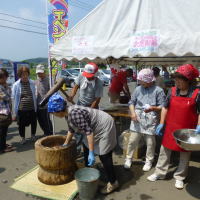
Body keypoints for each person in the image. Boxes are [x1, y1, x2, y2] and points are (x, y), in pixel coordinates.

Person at [47, 93, 119, 194]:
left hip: (104, 126)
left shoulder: (74, 114)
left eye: (53, 113)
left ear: (58, 111)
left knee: (104, 155)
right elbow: (71, 129)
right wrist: (65, 143)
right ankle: (89, 171)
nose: (53, 115)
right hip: (94, 126)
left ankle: (113, 182)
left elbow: (89, 133)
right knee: (86, 144)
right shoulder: (67, 112)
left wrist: (91, 152)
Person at [147, 64, 200, 189]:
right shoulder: (172, 91)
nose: (176, 82)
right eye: (175, 79)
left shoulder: (197, 93)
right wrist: (161, 123)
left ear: (188, 81)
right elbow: (165, 107)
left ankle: (180, 177)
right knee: (164, 150)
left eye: (179, 79)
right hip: (171, 126)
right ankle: (160, 173)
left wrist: (199, 125)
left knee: (185, 153)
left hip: (187, 130)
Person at [124, 68, 166, 171]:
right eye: (140, 80)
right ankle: (128, 158)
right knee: (133, 140)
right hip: (137, 116)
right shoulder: (138, 89)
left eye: (142, 80)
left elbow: (163, 106)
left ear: (149, 80)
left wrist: (153, 108)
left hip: (151, 118)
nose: (140, 82)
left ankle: (149, 161)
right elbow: (131, 102)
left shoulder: (158, 90)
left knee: (150, 142)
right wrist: (133, 113)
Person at [12, 66, 37, 144]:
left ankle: (33, 135)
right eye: (23, 74)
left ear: (28, 74)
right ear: (20, 75)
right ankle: (23, 138)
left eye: (26, 74)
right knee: (21, 125)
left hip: (32, 107)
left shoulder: (32, 82)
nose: (25, 76)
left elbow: (35, 93)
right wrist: (14, 112)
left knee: (33, 122)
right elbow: (13, 97)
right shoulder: (16, 85)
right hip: (21, 109)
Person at [35, 64, 53, 136]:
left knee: (46, 120)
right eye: (38, 73)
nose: (40, 74)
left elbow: (52, 92)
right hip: (37, 104)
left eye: (41, 73)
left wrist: (49, 102)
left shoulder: (49, 80)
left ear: (44, 72)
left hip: (46, 104)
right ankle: (45, 132)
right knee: (40, 120)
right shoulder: (36, 81)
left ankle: (50, 133)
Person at [0, 69, 15, 153]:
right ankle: (2, 148)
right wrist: (7, 88)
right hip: (2, 113)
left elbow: (8, 95)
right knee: (2, 131)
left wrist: (6, 87)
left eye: (6, 77)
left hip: (5, 111)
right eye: (4, 77)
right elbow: (7, 97)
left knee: (4, 131)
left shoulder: (3, 86)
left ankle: (3, 144)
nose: (6, 79)